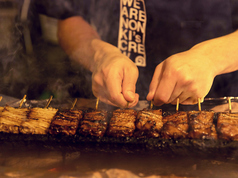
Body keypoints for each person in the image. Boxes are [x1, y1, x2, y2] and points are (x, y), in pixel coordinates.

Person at [35, 0, 238, 108]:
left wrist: (210, 59)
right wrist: (99, 55)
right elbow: (69, 17)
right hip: (108, 105)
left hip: (219, 103)